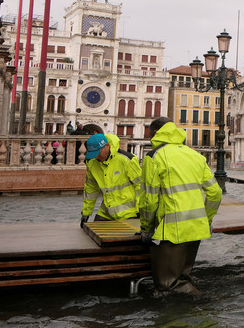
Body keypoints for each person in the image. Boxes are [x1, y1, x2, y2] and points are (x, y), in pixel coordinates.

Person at [138, 117, 223, 295]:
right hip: (196, 227)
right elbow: (215, 193)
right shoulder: (195, 156)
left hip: (171, 230)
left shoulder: (154, 157)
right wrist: (206, 219)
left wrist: (146, 228)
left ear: (155, 133)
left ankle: (202, 303)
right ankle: (198, 308)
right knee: (182, 278)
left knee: (167, 285)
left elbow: (149, 200)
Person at [81, 134, 142, 226]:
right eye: (93, 154)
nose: (96, 157)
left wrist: (140, 210)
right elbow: (90, 189)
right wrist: (86, 213)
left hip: (129, 212)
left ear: (107, 146)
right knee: (92, 231)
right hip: (106, 212)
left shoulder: (126, 160)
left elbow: (140, 185)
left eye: (98, 153)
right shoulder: (91, 163)